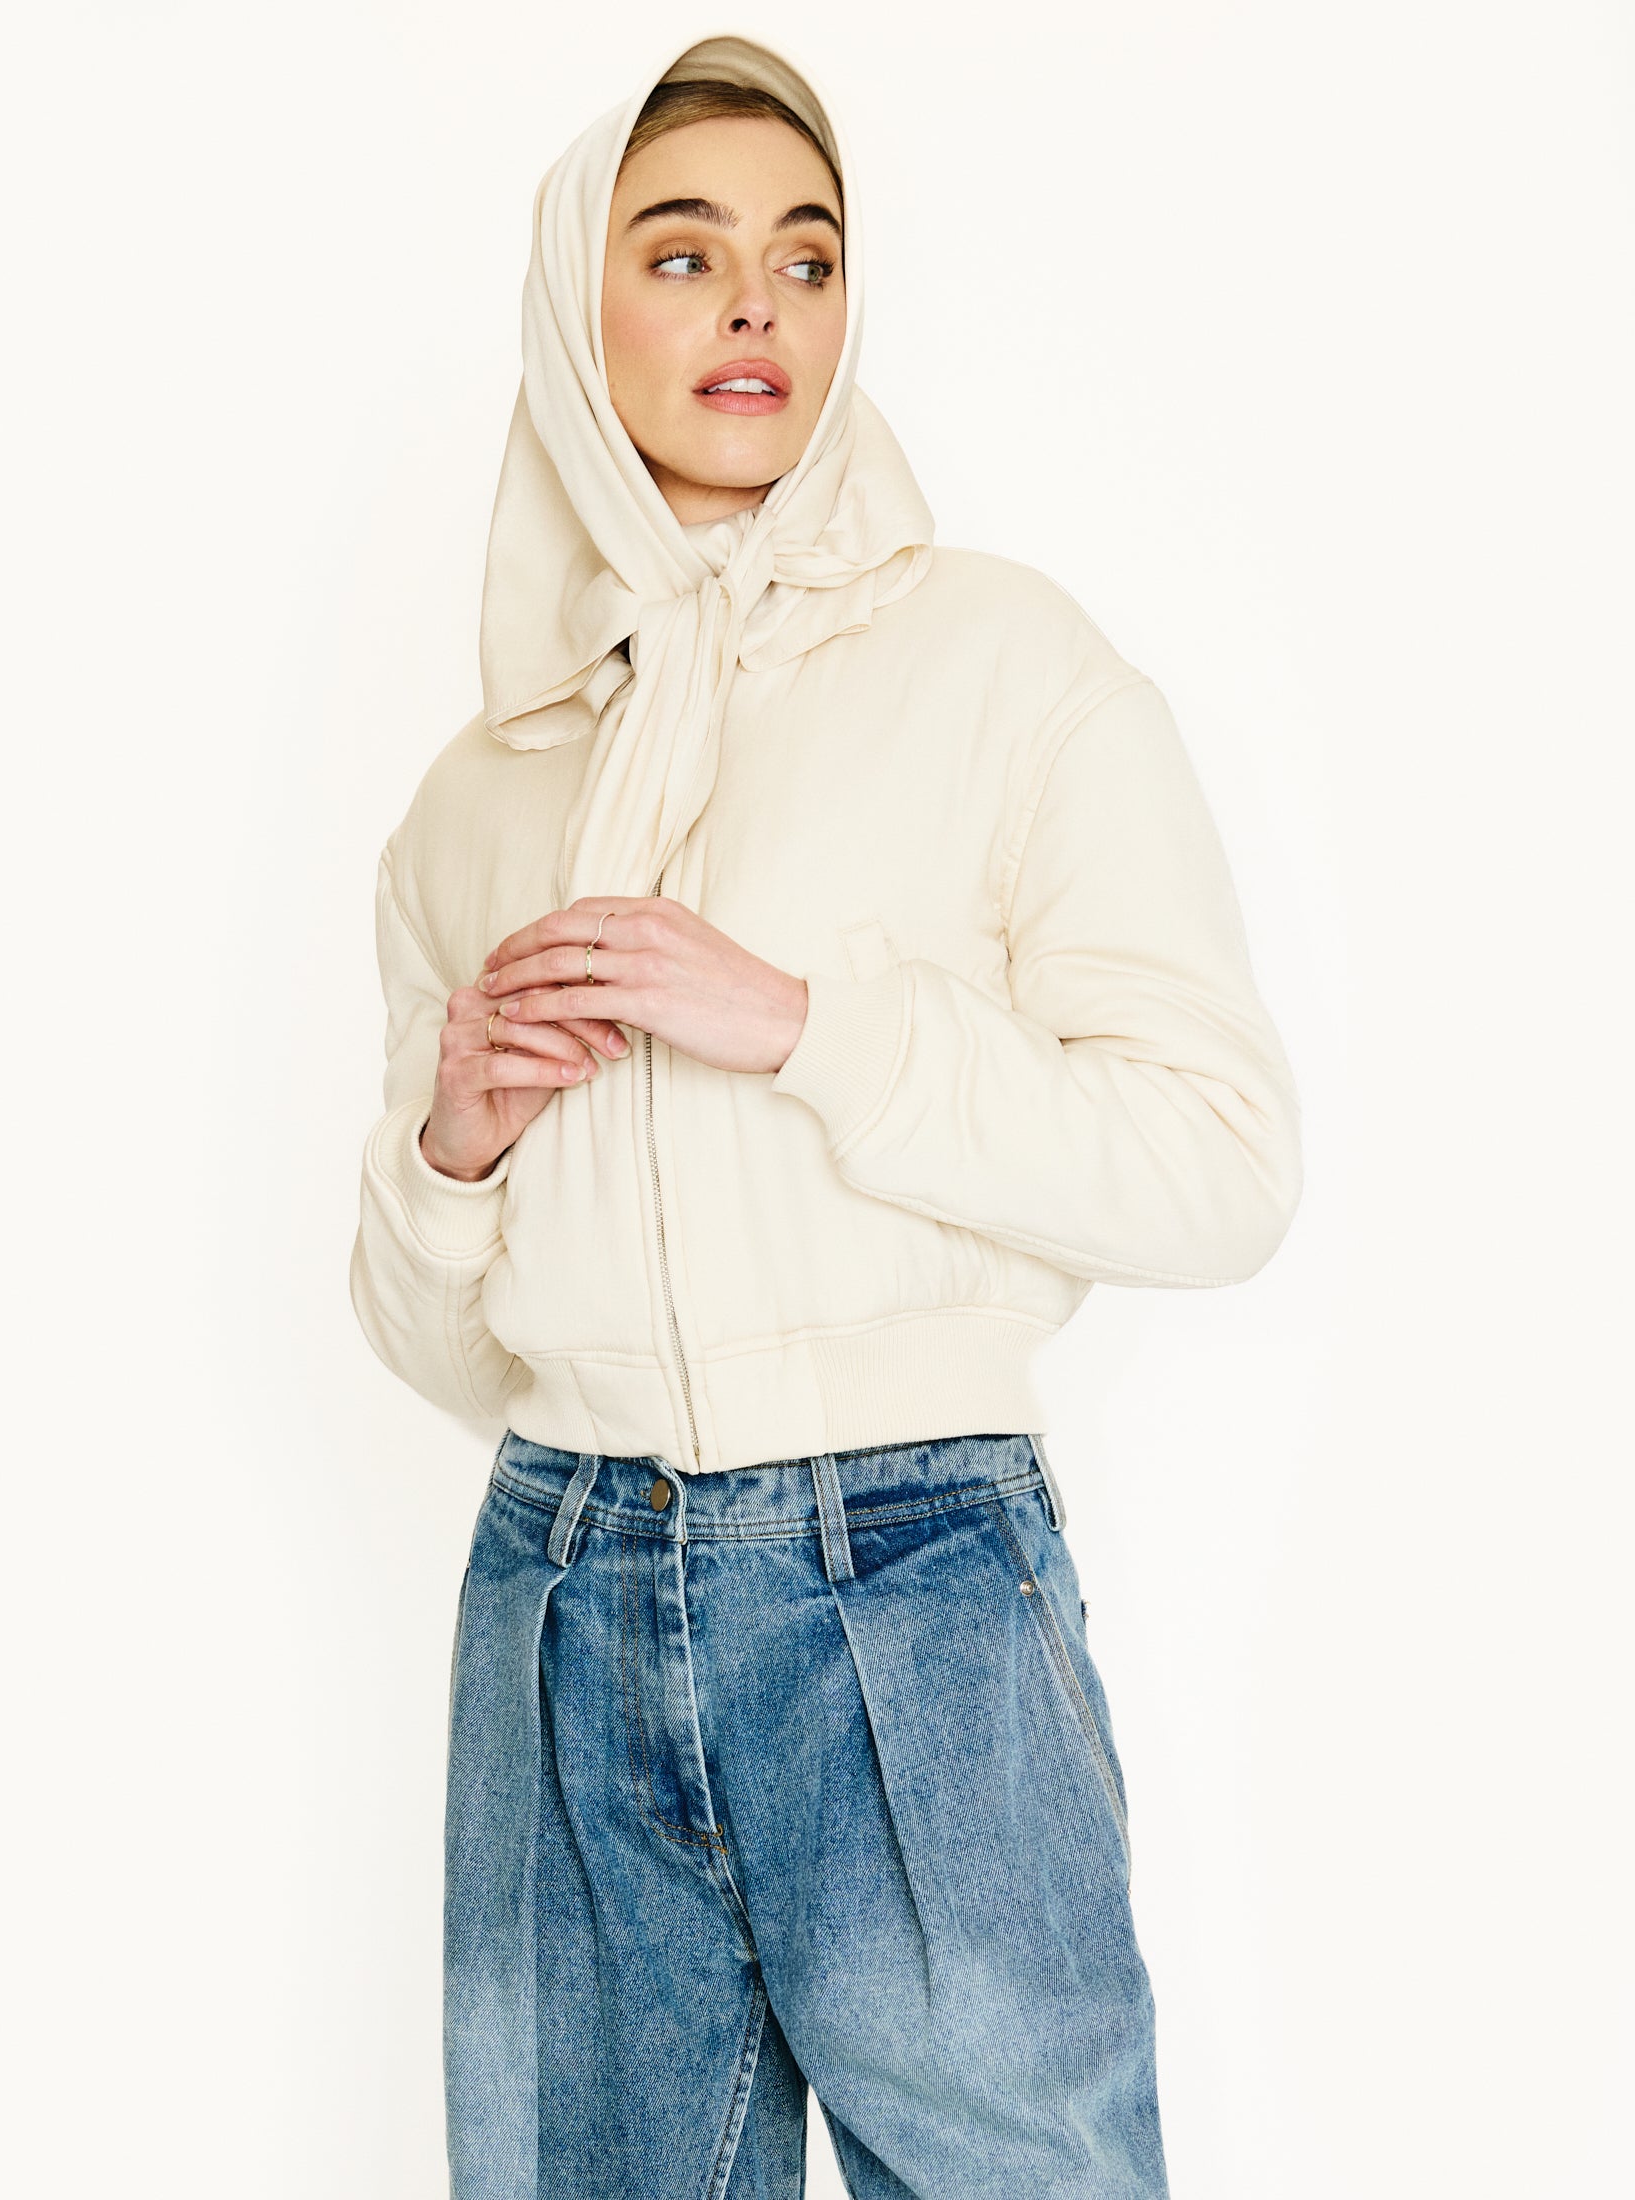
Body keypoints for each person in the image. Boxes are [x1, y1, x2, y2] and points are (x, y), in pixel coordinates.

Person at [349, 28, 1302, 2200]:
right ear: (576, 304)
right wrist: (450, 1150)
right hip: (560, 1581)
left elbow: (1224, 1163)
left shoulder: (1008, 665)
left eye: (807, 254)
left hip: (914, 1574)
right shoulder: (474, 797)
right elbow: (449, 1359)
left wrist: (806, 1027)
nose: (756, 307)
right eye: (682, 254)